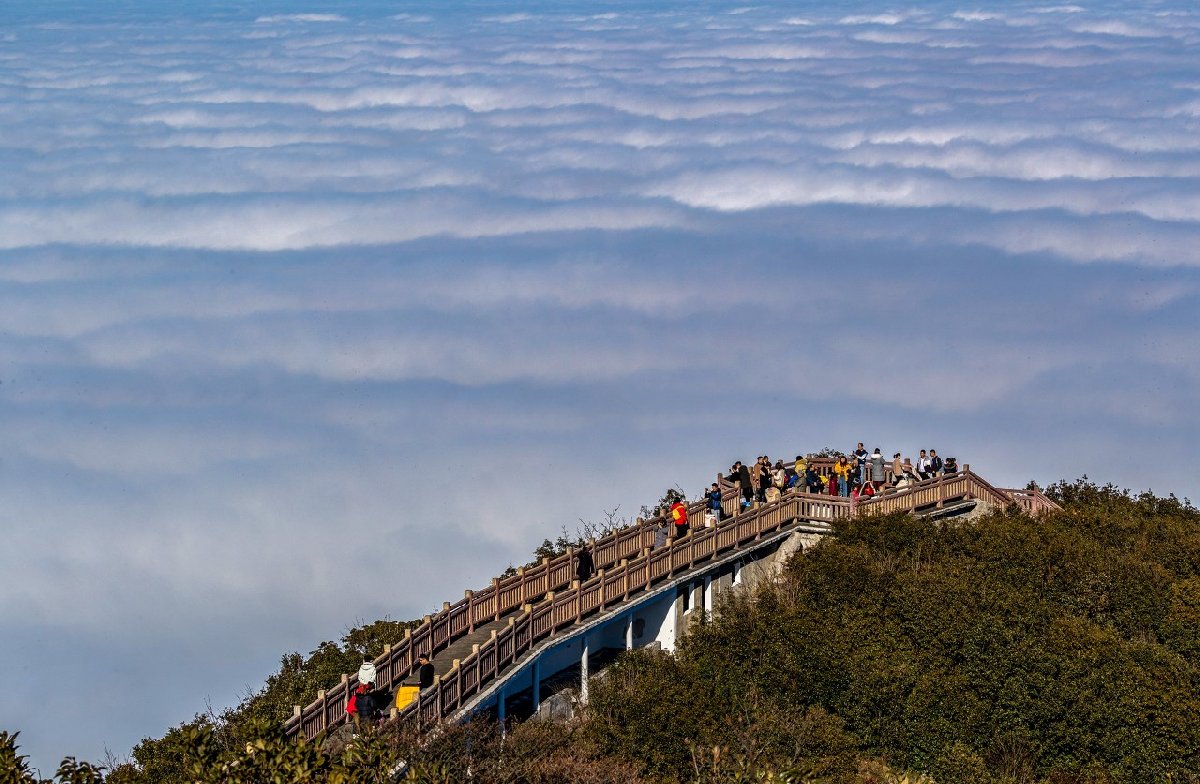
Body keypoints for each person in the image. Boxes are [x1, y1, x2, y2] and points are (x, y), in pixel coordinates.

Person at [347, 659, 378, 723]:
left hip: (357, 714)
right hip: (366, 716)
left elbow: (350, 708)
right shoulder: (368, 697)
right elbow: (374, 706)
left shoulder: (355, 697)